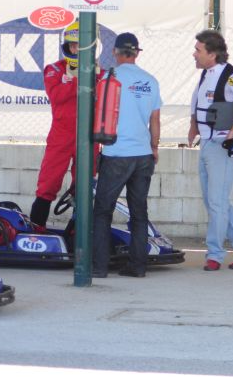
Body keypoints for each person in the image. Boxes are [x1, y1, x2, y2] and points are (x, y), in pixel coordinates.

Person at [189, 30, 233, 271]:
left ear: (212, 54)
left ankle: (215, 255)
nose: (194, 54)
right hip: (207, 143)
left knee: (217, 203)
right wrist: (193, 126)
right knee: (214, 202)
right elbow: (197, 100)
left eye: (198, 50)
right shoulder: (206, 74)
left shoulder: (231, 76)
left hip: (220, 145)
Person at [92, 33, 160, 278]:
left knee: (102, 211)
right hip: (143, 154)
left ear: (115, 52)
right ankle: (138, 266)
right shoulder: (150, 80)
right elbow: (155, 120)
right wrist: (154, 148)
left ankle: (99, 267)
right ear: (137, 53)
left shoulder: (109, 77)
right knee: (139, 213)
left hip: (116, 153)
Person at [29, 21, 102, 228]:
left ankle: (77, 234)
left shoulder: (101, 73)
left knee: (84, 188)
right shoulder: (53, 69)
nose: (76, 50)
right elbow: (56, 96)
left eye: (81, 46)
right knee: (47, 185)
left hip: (89, 137)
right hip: (61, 136)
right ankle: (36, 231)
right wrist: (80, 81)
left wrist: (74, 81)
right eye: (73, 45)